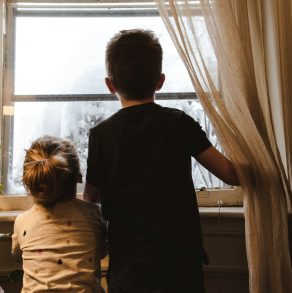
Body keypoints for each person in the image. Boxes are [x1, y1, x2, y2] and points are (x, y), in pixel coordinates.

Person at [84, 29, 240, 293]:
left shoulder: (101, 135)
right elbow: (230, 174)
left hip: (128, 267)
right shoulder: (178, 122)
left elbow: (91, 199)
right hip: (179, 264)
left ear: (110, 85)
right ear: (160, 81)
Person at [12, 135, 107, 293]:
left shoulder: (23, 222)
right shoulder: (94, 215)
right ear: (78, 177)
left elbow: (16, 255)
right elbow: (102, 251)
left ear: (30, 182)